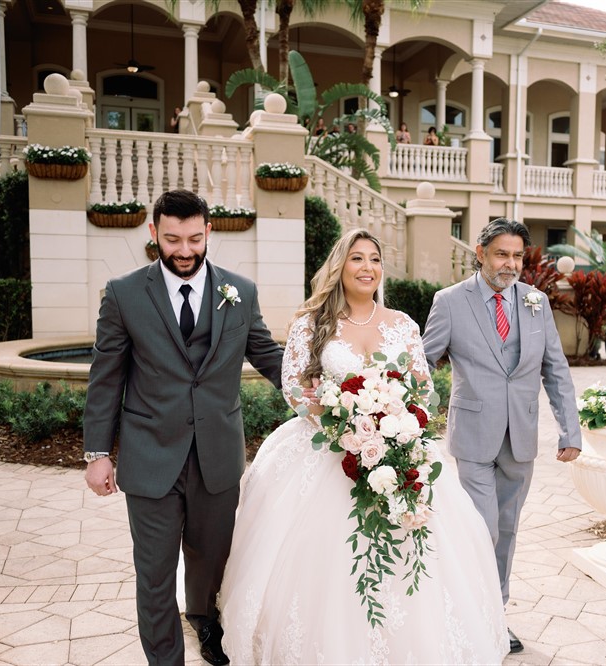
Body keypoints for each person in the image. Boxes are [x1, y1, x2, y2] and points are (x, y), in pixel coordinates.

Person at [217, 228, 508, 664]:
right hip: (327, 450)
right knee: (327, 557)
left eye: (374, 259)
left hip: (396, 448)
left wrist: (395, 423)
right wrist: (340, 422)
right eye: (357, 258)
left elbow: (423, 389)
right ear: (340, 266)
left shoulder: (402, 324)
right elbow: (294, 389)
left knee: (415, 549)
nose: (367, 267)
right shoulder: (311, 323)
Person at [83, 189, 284, 666]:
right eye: (173, 240)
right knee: (154, 573)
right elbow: (106, 377)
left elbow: (269, 356)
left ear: (208, 231)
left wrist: (327, 392)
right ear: (154, 233)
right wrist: (97, 453)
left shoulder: (240, 291)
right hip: (150, 456)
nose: (185, 251)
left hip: (217, 456)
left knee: (211, 562)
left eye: (195, 239)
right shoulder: (124, 293)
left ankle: (206, 624)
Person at [421, 217, 583, 655]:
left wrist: (569, 430)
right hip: (474, 434)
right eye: (501, 255)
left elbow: (555, 369)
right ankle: (470, 612)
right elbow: (423, 364)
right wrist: (409, 416)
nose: (510, 264)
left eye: (517, 256)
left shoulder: (536, 301)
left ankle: (495, 614)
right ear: (480, 254)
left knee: (507, 530)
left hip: (522, 435)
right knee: (483, 528)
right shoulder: (450, 302)